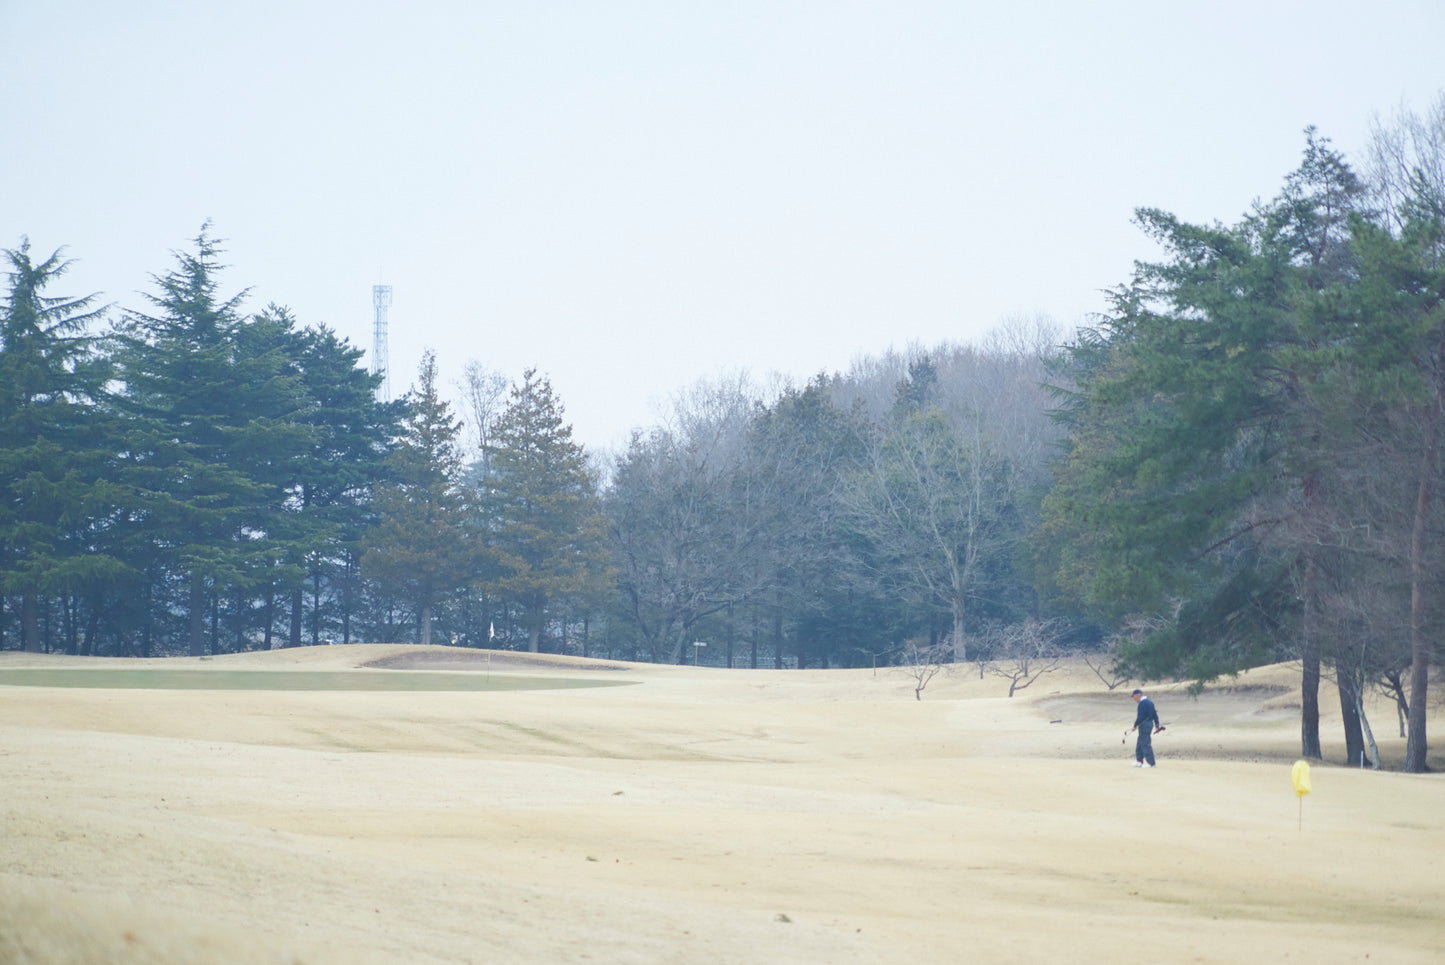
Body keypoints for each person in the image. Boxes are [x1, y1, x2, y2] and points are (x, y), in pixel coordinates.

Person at [1130, 688, 1161, 767]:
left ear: (1137, 695)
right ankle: (1139, 761)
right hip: (1149, 724)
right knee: (1140, 741)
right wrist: (1157, 724)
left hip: (1145, 724)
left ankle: (1151, 763)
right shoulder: (1150, 702)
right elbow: (1155, 714)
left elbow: (1140, 717)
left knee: (1145, 742)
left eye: (1134, 697)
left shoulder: (1142, 703)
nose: (1134, 699)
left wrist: (1135, 725)